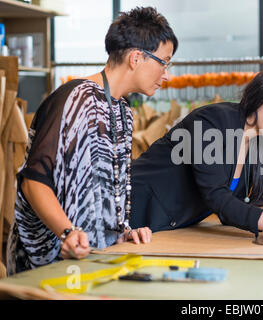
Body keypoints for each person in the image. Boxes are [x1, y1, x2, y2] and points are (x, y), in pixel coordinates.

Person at [7, 6, 178, 275]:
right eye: (164, 62)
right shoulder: (75, 99)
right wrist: (67, 232)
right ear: (136, 58)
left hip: (90, 261)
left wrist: (120, 233)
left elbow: (104, 196)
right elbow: (33, 182)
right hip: (46, 267)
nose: (166, 74)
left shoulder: (122, 110)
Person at [130, 66, 263, 240]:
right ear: (262, 96)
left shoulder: (255, 146)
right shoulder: (211, 122)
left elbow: (232, 209)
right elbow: (217, 197)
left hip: (156, 229)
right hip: (128, 210)